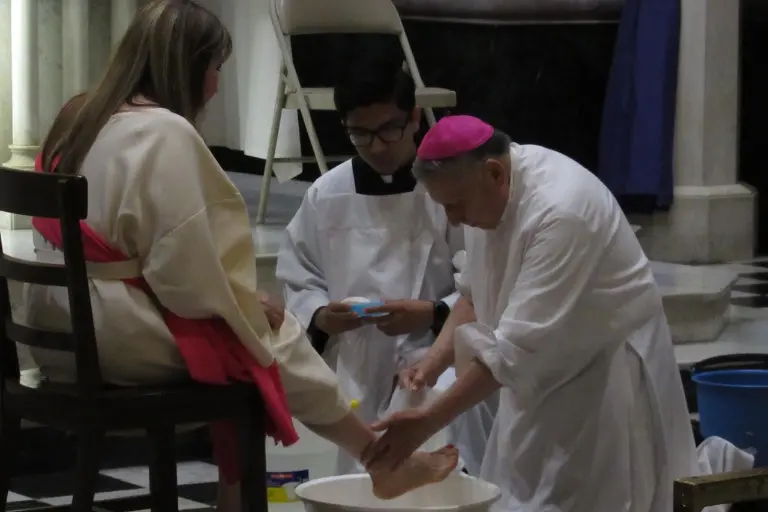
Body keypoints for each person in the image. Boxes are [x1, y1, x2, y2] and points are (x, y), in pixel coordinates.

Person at [20, 1, 457, 510]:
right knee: (265, 340)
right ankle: (370, 461)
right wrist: (246, 305)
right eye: (216, 68)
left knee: (260, 332)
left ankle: (370, 460)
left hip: (52, 323)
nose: (215, 86)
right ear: (189, 68)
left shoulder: (79, 113)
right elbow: (184, 275)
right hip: (109, 334)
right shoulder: (164, 131)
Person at [362, 115, 704, 512]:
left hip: (602, 377)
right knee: (521, 496)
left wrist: (427, 422)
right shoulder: (484, 193)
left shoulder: (563, 211)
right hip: (532, 376)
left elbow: (513, 352)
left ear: (493, 172)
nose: (452, 219)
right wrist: (431, 365)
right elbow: (475, 293)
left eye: (455, 205)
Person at [276, 64, 497, 475]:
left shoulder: (448, 188)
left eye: (388, 130)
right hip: (357, 361)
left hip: (438, 357)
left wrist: (432, 312)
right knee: (363, 477)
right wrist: (321, 316)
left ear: (413, 118)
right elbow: (299, 274)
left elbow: (482, 276)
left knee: (443, 469)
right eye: (361, 133)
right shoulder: (327, 194)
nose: (376, 147)